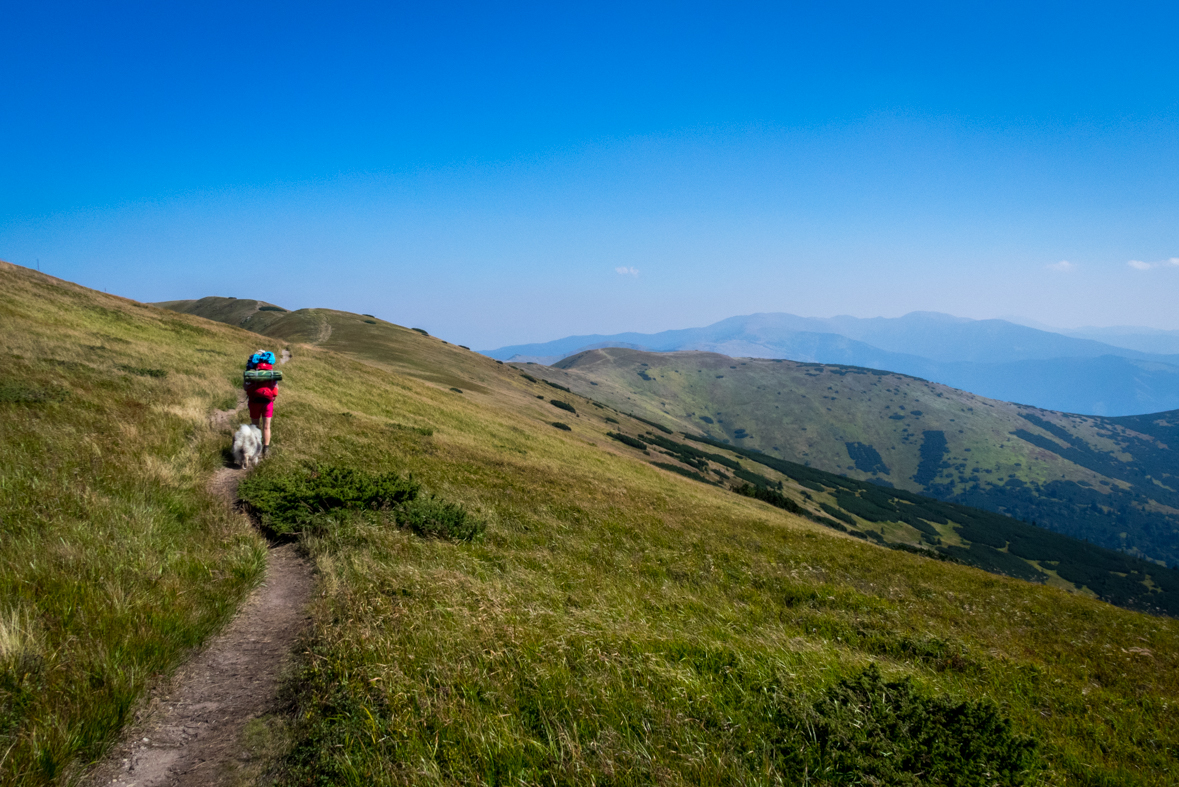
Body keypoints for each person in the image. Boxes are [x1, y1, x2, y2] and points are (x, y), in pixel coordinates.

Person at [244, 349, 279, 457]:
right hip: (268, 402)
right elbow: (275, 389)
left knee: (255, 426)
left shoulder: (251, 372)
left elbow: (245, 387)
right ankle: (266, 449)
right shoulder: (270, 373)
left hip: (254, 401)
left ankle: (255, 448)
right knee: (266, 426)